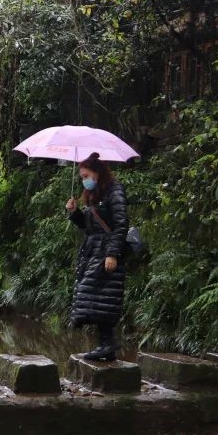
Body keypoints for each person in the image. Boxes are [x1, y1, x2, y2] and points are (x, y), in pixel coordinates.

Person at [66, 152, 129, 361]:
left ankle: (108, 343)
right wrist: (75, 213)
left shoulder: (114, 191)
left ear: (97, 172)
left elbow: (120, 225)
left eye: (86, 175)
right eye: (82, 177)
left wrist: (112, 253)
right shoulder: (96, 195)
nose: (84, 180)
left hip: (107, 252)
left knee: (101, 297)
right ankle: (105, 345)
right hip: (94, 251)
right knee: (96, 298)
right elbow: (89, 226)